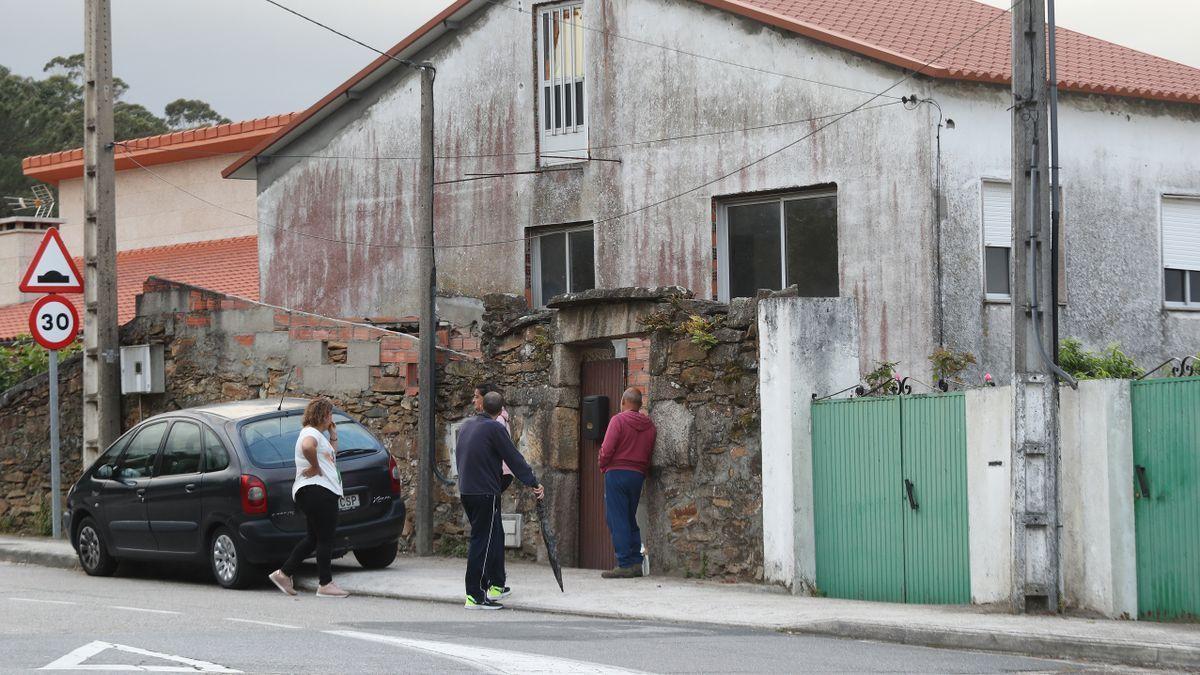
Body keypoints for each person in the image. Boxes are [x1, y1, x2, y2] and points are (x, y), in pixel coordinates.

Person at [456, 391, 544, 609]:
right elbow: (513, 458)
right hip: (484, 492)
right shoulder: (496, 428)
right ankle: (475, 595)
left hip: (467, 490)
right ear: (500, 410)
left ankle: (482, 589)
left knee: (480, 540)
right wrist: (533, 482)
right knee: (483, 543)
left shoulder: (467, 425)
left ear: (483, 406)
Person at [269, 398, 350, 598]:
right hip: (318, 490)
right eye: (330, 414)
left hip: (313, 492)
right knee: (325, 538)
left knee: (313, 538)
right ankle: (325, 583)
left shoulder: (317, 434)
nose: (332, 417)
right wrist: (314, 466)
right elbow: (307, 447)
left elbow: (330, 457)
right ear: (323, 416)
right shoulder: (311, 433)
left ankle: (284, 574)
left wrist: (333, 435)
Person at [598, 387, 657, 579]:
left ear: (623, 401)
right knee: (630, 517)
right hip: (637, 475)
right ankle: (636, 562)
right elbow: (648, 452)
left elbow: (607, 448)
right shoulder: (650, 426)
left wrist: (603, 465)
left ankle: (624, 563)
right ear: (640, 405)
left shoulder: (618, 420)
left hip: (617, 472)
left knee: (617, 518)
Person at [472, 383, 513, 492]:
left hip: (499, 472)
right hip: (494, 471)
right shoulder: (490, 419)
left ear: (486, 400)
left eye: (476, 397)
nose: (473, 400)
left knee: (491, 505)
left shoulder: (498, 420)